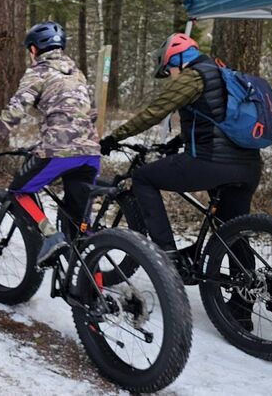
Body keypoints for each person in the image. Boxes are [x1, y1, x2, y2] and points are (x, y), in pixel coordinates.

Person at [99, 33, 261, 328]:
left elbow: (154, 112)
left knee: (144, 177)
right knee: (233, 229)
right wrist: (175, 144)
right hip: (248, 166)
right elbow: (212, 119)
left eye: (169, 70)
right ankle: (241, 307)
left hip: (213, 163)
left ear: (177, 60)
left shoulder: (193, 75)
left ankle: (167, 260)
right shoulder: (223, 74)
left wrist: (114, 136)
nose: (170, 76)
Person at [0, 22, 101, 267]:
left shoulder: (39, 72)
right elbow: (87, 113)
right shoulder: (77, 73)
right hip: (91, 153)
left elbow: (15, 111)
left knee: (20, 192)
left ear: (33, 49)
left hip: (59, 152)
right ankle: (90, 284)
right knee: (80, 228)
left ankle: (52, 237)